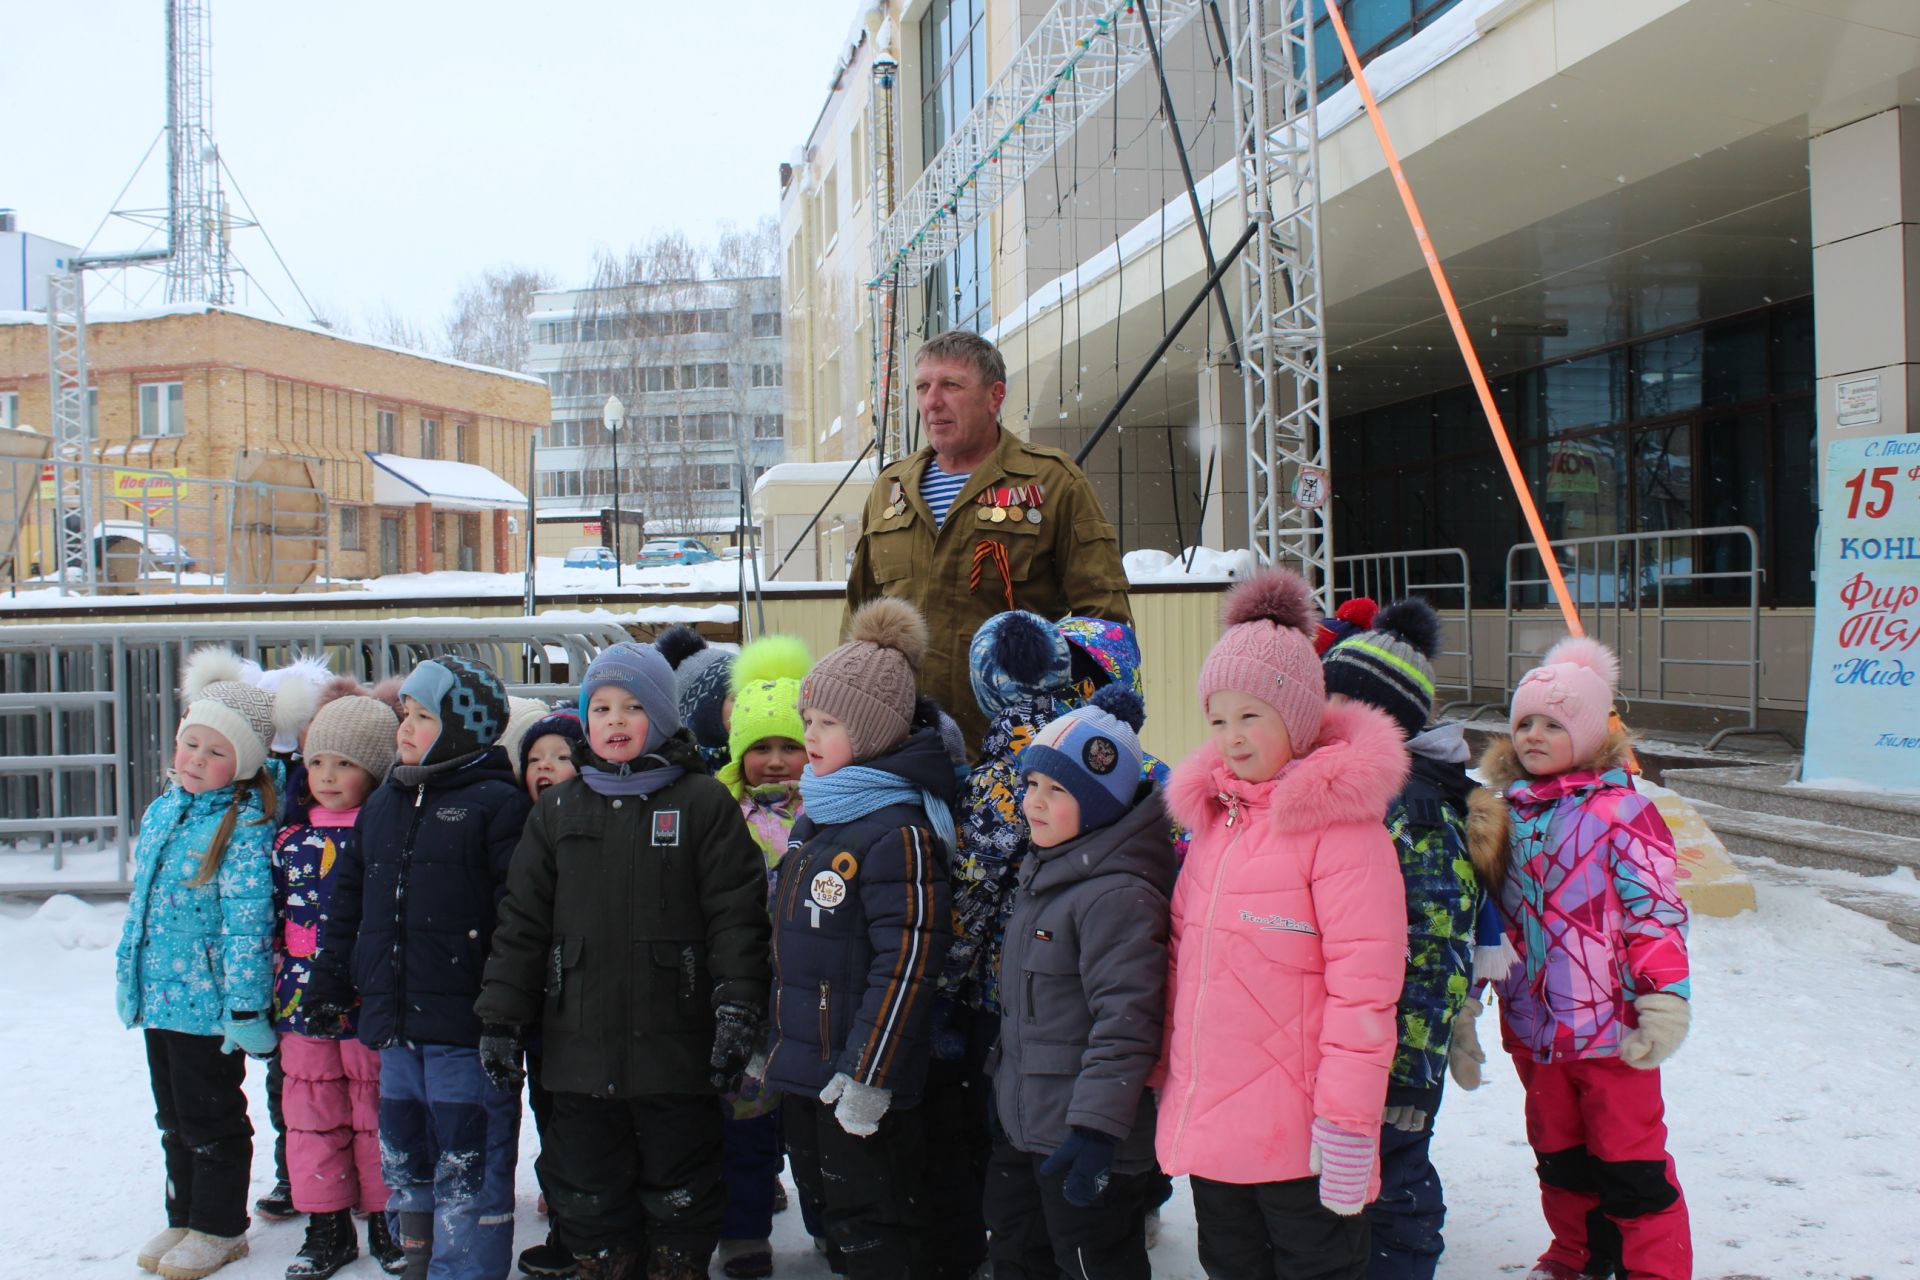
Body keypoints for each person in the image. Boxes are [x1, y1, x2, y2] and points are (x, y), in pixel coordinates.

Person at [476, 642, 771, 1280]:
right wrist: (502, 1017)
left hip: (676, 1049)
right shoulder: (558, 810)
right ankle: (603, 1262)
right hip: (578, 1046)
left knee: (682, 1179)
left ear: (662, 716)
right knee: (585, 1183)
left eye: (633, 706)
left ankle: (676, 1263)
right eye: (601, 707)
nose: (614, 720)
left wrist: (738, 1005)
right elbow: (522, 923)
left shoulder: (701, 804)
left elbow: (736, 917)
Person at [1158, 569, 1409, 1280]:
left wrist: (1349, 1124)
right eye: (1218, 719)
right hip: (1215, 1129)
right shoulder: (1216, 823)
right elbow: (1182, 963)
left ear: (1296, 718)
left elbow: (1365, 991)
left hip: (1304, 1138)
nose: (1232, 738)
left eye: (1252, 716)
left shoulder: (1343, 832)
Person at [1464, 637, 1692, 1280]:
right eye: (1524, 722)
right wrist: (1469, 1001)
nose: (1534, 734)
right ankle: (1578, 1255)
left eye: (1554, 723)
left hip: (1611, 1029)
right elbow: (1489, 923)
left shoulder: (1624, 812)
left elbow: (1657, 912)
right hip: (1535, 1030)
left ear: (1592, 735)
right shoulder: (1499, 815)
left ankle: (1654, 1269)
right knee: (1559, 1155)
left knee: (1631, 1164)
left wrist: (1665, 995)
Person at [305, 655, 531, 1280]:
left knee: (470, 1154)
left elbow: (518, 917)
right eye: (405, 713)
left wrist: (505, 1011)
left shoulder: (496, 805)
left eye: (423, 716)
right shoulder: (385, 803)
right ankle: (418, 1259)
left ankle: (467, 1269)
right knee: (405, 1149)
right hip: (396, 1020)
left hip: (467, 1026)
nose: (404, 728)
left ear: (463, 726)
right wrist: (330, 981)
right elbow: (348, 901)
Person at [763, 599, 957, 1279]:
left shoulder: (895, 831)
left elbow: (906, 963)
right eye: (808, 720)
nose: (810, 737)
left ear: (873, 733)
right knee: (838, 1228)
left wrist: (869, 1073)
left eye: (829, 723)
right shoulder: (821, 817)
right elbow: (791, 951)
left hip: (861, 1080)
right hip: (812, 1076)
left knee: (878, 1231)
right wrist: (776, 1047)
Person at [117, 647, 313, 1280]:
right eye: (189, 745)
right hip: (160, 996)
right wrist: (131, 976)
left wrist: (246, 1006)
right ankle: (184, 1212)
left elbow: (249, 927)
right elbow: (141, 908)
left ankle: (220, 1227)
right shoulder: (162, 811)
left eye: (214, 752)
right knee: (171, 1115)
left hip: (211, 1006)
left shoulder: (247, 823)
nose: (196, 761)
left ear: (246, 761)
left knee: (211, 1116)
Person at [844, 328, 1132, 754]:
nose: (932, 401)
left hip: (1017, 752)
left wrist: (1070, 733)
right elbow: (858, 616)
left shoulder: (1052, 482)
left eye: (951, 385)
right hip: (902, 749)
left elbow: (1104, 625)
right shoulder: (891, 487)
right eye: (923, 386)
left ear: (995, 396)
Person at [983, 685, 1173, 1280]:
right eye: (1032, 784)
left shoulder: (1117, 896)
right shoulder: (1049, 873)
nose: (1033, 803)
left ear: (1098, 806)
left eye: (1057, 790)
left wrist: (1095, 1132)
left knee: (1092, 1264)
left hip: (1087, 1138)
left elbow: (1126, 1025)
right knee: (1017, 1254)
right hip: (1027, 1128)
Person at [1320, 601, 1482, 1280]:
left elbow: (1436, 945)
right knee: (1355, 1179)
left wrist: (1410, 1070)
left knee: (1396, 1178)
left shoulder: (1411, 808)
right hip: (1358, 1040)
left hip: (1399, 1051)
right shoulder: (1358, 790)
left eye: (1332, 704)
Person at [271, 692, 405, 1279]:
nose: (327, 775)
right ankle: (325, 1222)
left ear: (374, 773)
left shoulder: (384, 839)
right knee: (310, 1110)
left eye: (346, 764)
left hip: (366, 1001)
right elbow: (271, 923)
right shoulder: (288, 842)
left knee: (373, 1111)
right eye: (318, 760)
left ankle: (383, 1215)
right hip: (300, 1004)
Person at [712, 634, 814, 1278]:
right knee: (744, 1125)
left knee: (812, 1128)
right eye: (760, 748)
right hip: (748, 993)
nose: (776, 762)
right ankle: (744, 1230)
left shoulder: (827, 808)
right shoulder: (720, 814)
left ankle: (833, 1223)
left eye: (789, 745)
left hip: (810, 996)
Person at [500, 706, 590, 1280]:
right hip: (537, 1002)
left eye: (561, 756)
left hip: (585, 1000)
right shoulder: (516, 830)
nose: (546, 767)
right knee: (548, 1107)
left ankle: (581, 1213)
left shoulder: (593, 824)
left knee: (581, 1115)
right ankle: (562, 1200)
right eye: (535, 759)